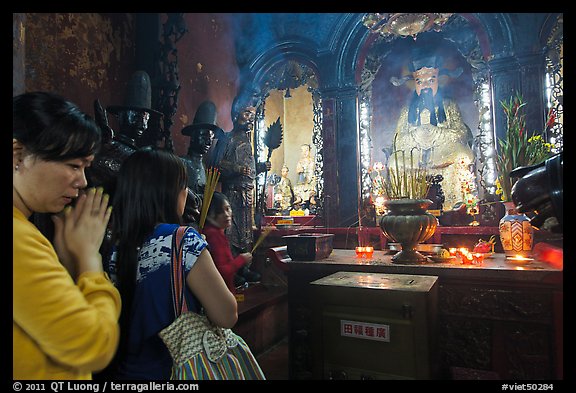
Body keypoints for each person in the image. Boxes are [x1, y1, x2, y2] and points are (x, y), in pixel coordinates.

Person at [13, 91, 120, 379]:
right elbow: (95, 344)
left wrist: (72, 267)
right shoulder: (18, 238)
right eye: (74, 166)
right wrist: (89, 260)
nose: (82, 181)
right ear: (18, 155)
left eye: (85, 168)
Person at [103, 149, 237, 379]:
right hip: (176, 370)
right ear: (168, 193)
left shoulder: (111, 244)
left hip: (125, 371)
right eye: (183, 186)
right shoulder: (182, 240)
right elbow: (226, 314)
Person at [390, 46, 476, 209]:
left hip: (442, 153)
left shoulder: (449, 105)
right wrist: (418, 134)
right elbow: (398, 140)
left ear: (438, 80)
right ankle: (404, 204)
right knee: (394, 162)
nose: (425, 86)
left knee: (462, 155)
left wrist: (435, 132)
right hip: (415, 156)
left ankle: (455, 203)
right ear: (414, 84)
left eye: (431, 80)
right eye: (420, 82)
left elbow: (461, 133)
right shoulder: (408, 111)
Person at [216, 94, 270, 284]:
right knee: (233, 231)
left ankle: (244, 267)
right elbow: (216, 165)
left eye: (253, 115)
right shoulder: (227, 139)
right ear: (236, 113)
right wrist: (236, 169)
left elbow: (251, 167)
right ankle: (233, 269)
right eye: (247, 113)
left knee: (246, 231)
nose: (251, 118)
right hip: (233, 193)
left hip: (248, 193)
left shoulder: (247, 141)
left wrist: (261, 166)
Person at [180, 101, 222, 224]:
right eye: (204, 136)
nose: (208, 142)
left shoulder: (204, 167)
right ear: (193, 135)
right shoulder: (181, 163)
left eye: (211, 138)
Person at [203, 192, 253, 291]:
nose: (226, 214)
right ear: (209, 215)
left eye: (227, 209)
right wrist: (241, 260)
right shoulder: (213, 235)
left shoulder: (217, 232)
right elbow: (221, 272)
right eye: (219, 212)